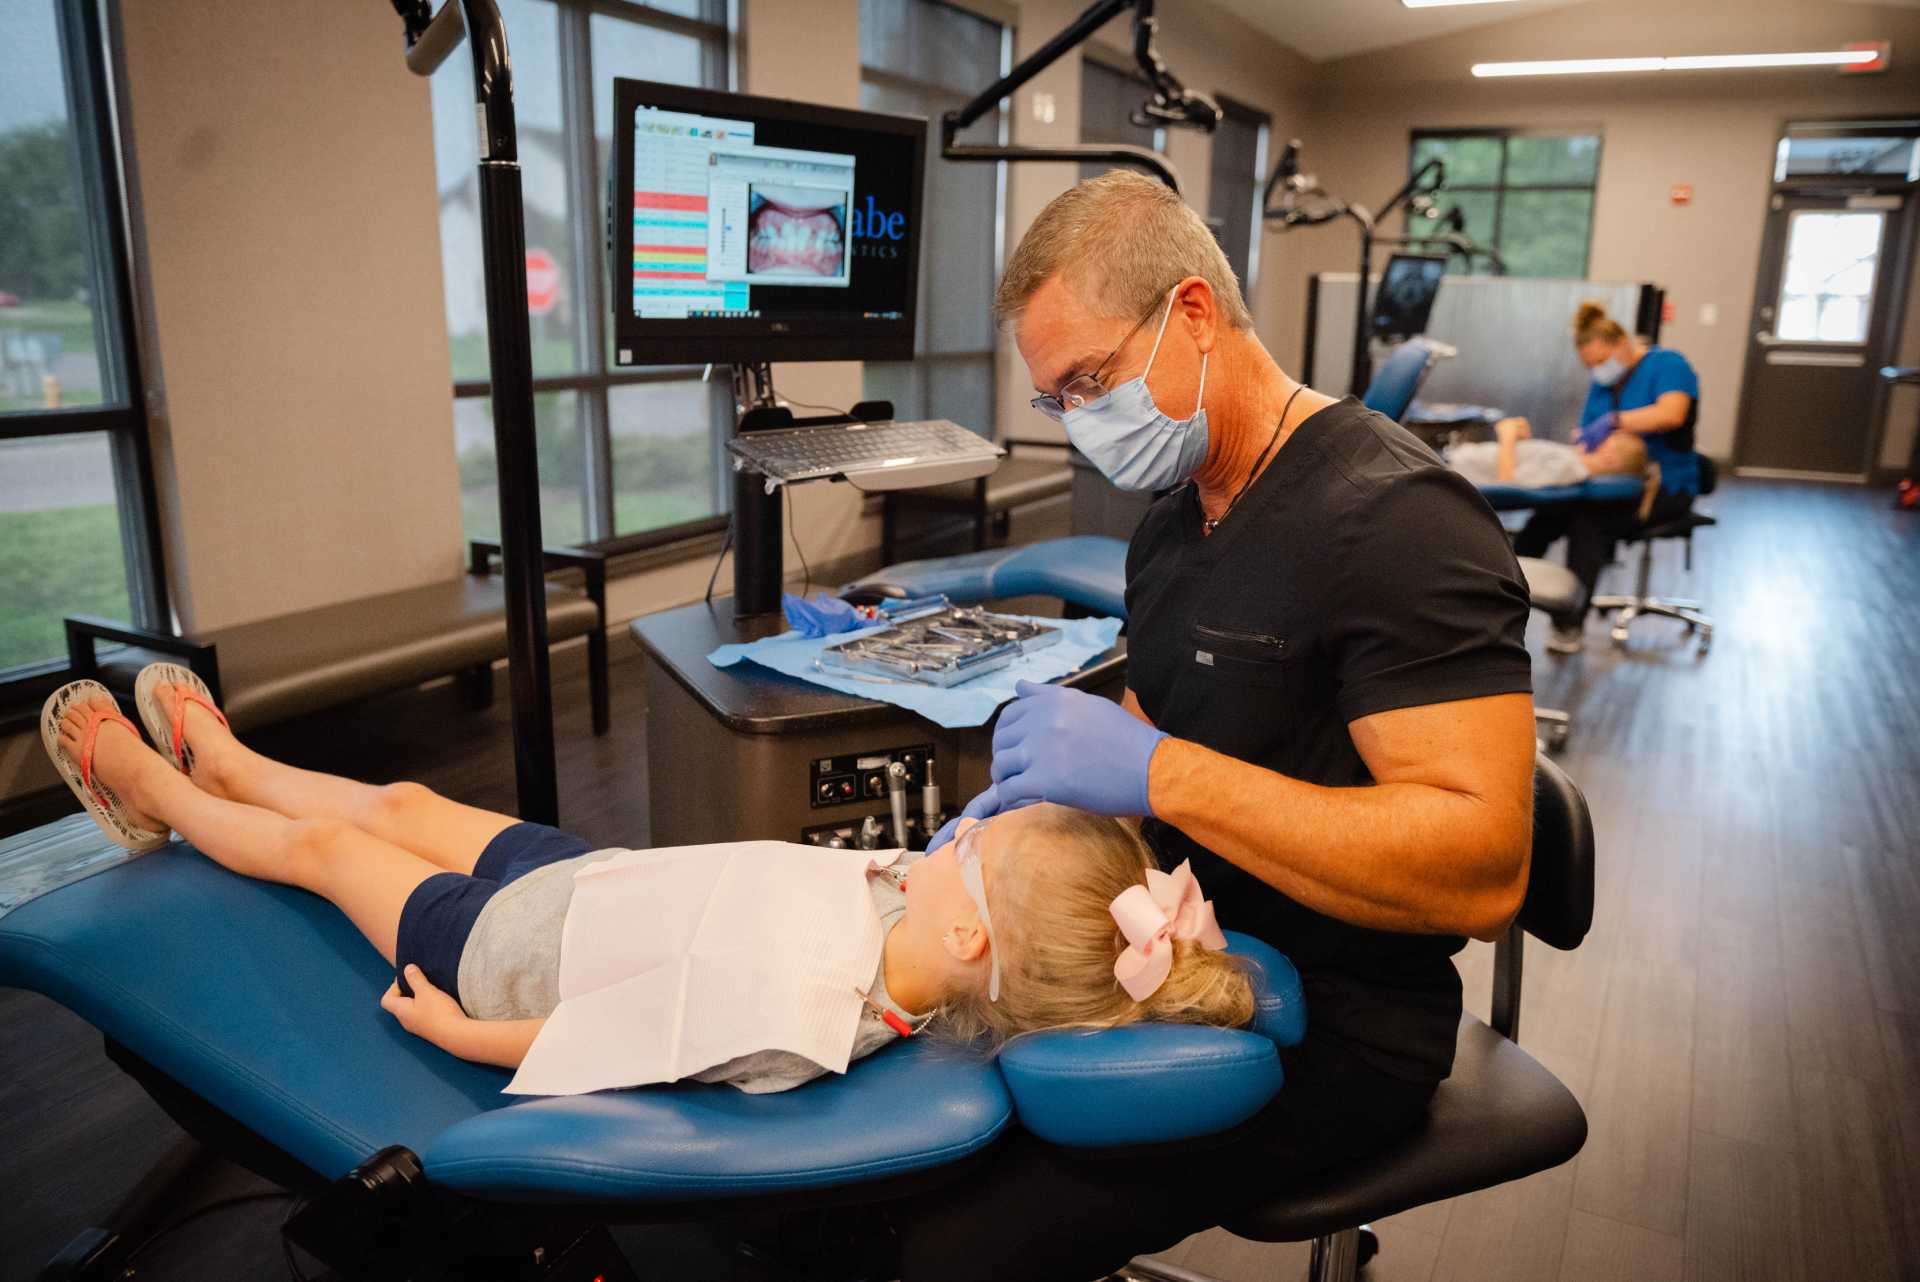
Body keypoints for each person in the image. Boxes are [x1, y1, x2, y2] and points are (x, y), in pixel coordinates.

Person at [897, 170, 1536, 1282]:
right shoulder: (1170, 528)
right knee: (892, 1152)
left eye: (1089, 380)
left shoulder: (1399, 520)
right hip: (1163, 951)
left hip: (1339, 1020)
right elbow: (1152, 737)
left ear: (1192, 312)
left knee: (951, 1238)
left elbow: (1482, 873)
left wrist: (1162, 774)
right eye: (1056, 400)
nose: (1082, 419)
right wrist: (1015, 828)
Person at [41, 668, 1251, 1094]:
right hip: (586, 882)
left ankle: (160, 794)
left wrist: (469, 1035)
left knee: (325, 855)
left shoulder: (803, 1021)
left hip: (510, 955)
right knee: (402, 804)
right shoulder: (920, 927)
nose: (954, 835)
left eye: (971, 851)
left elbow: (618, 1036)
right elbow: (926, 867)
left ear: (975, 941)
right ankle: (236, 758)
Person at [1512, 300, 1703, 653]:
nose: (1598, 371)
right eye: (1591, 366)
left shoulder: (1669, 365)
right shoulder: (1603, 384)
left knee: (1588, 522)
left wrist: (1616, 421)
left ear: (1622, 345)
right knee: (1546, 517)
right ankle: (1499, 603)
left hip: (1662, 487)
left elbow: (1672, 414)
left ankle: (1570, 623)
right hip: (1608, 481)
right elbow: (1588, 433)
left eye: (1601, 362)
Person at [1445, 413, 1649, 490]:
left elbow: (1507, 483)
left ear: (1610, 459)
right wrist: (1521, 441)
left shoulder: (1569, 467)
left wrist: (1507, 437)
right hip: (1454, 459)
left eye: (1605, 442)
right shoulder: (1571, 459)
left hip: (1452, 467)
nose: (1598, 440)